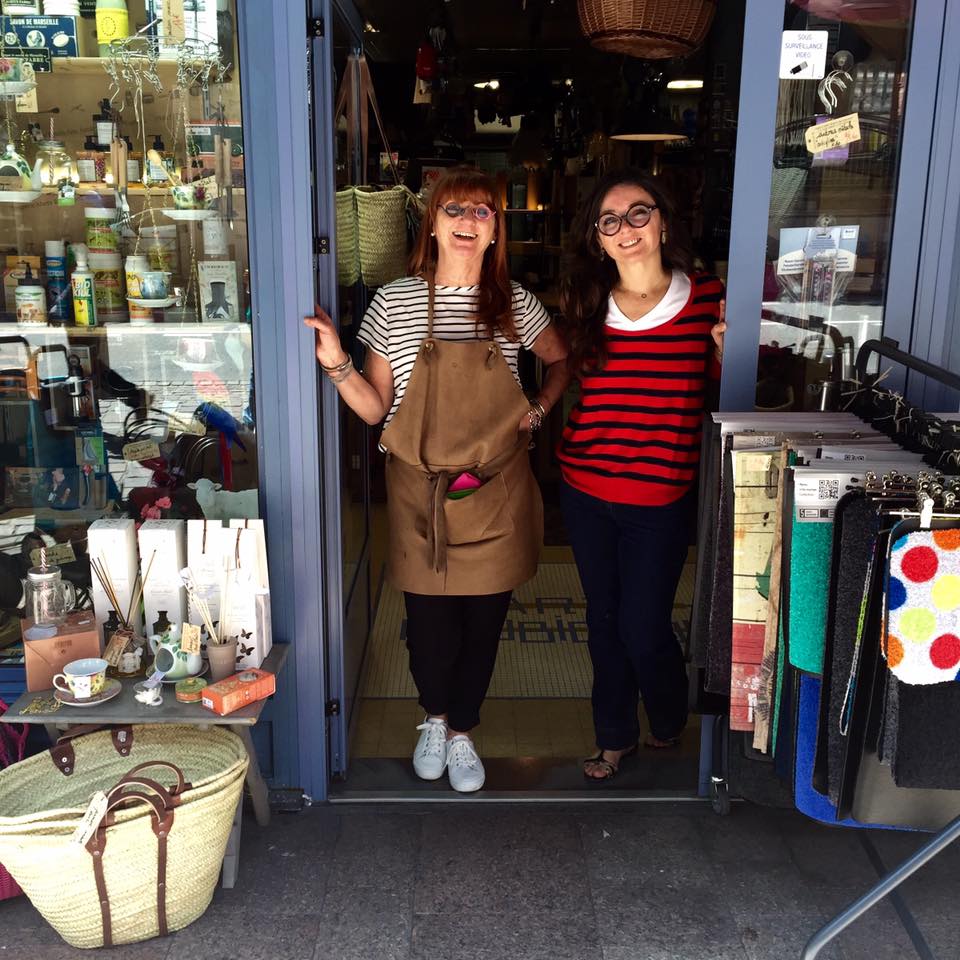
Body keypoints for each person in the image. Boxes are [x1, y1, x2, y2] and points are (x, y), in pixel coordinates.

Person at [305, 166, 569, 792]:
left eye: (482, 212)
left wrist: (537, 411)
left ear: (495, 229)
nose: (467, 223)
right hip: (418, 488)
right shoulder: (393, 301)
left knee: (485, 619)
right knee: (426, 622)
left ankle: (461, 733)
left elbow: (559, 360)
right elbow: (378, 407)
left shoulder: (514, 304)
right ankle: (433, 716)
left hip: (496, 487)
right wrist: (337, 362)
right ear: (433, 223)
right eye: (455, 210)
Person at [557, 168, 726, 781]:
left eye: (638, 213)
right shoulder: (584, 304)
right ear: (597, 238)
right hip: (585, 490)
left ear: (662, 222)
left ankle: (667, 709)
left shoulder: (708, 300)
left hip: (660, 497)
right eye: (609, 220)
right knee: (603, 619)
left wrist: (727, 353)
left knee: (642, 622)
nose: (625, 229)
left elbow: (725, 391)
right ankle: (614, 737)